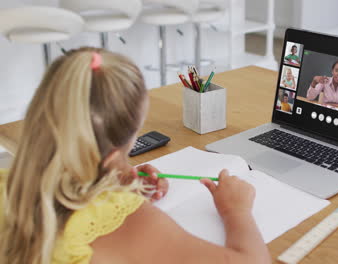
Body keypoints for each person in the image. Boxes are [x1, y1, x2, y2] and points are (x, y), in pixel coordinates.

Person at [0, 48, 271, 264]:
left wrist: (109, 185)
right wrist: (235, 210)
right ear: (117, 151)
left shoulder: (6, 185)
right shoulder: (124, 222)